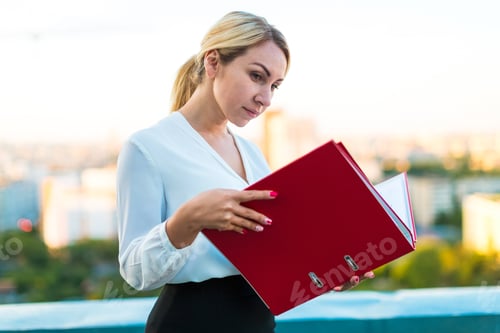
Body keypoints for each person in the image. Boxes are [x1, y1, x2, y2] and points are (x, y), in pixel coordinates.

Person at [116, 11, 374, 333]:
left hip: (257, 322)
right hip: (189, 323)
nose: (265, 98)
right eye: (256, 76)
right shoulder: (147, 148)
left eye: (274, 85)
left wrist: (327, 271)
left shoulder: (251, 153)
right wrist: (188, 219)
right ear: (213, 63)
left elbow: (272, 252)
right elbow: (135, 271)